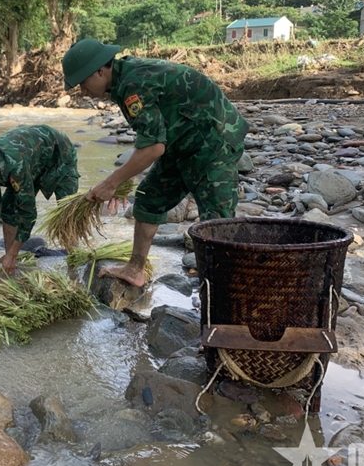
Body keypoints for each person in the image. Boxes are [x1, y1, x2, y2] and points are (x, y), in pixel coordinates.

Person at [61, 38, 249, 289]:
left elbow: (152, 148)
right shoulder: (121, 79)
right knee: (150, 200)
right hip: (180, 141)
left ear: (100, 70)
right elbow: (154, 139)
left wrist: (111, 182)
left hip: (213, 142)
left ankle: (226, 292)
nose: (82, 90)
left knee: (216, 224)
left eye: (83, 82)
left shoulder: (133, 84)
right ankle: (135, 270)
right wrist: (120, 179)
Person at [0, 124, 80, 273]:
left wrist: (13, 253)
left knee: (67, 216)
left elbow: (28, 214)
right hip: (32, 159)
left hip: (59, 155)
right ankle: (11, 262)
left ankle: (74, 264)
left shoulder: (15, 166)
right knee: (8, 209)